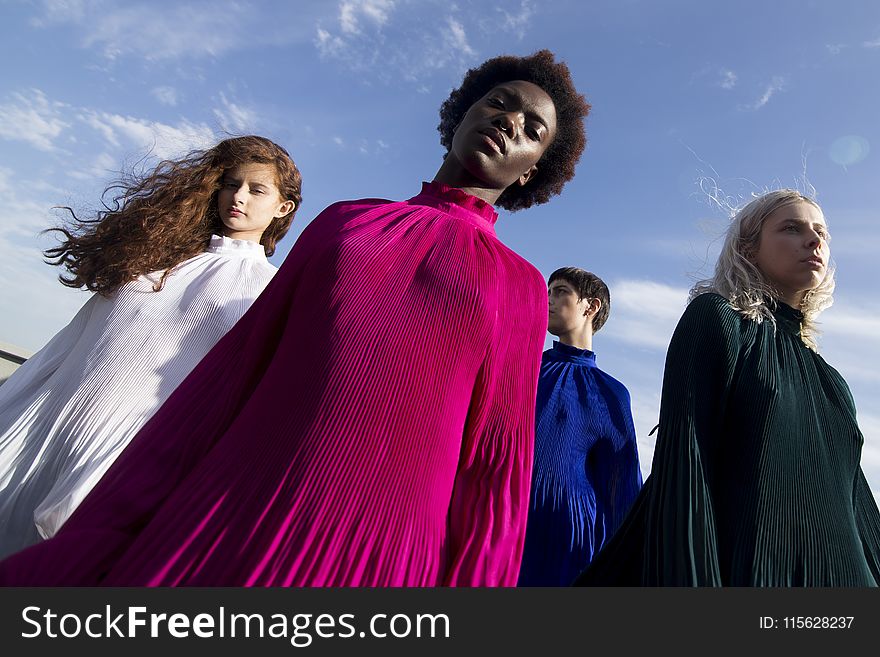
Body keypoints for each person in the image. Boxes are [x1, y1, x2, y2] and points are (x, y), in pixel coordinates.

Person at [0, 50, 590, 586]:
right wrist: (115, 521)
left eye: (532, 128)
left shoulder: (521, 286)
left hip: (386, 551)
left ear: (532, 169)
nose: (509, 121)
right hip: (231, 508)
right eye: (498, 103)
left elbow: (494, 465)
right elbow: (233, 374)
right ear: (462, 113)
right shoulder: (346, 223)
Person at [0, 135, 301, 559]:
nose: (237, 197)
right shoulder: (156, 258)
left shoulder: (267, 291)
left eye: (257, 189)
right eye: (230, 183)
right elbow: (73, 341)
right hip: (42, 422)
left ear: (282, 207)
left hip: (121, 453)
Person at [575, 189, 880, 586]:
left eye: (820, 231)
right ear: (749, 249)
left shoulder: (833, 382)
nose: (814, 240)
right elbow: (685, 466)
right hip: (749, 573)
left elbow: (858, 509)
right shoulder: (716, 319)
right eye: (791, 228)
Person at [517, 267, 642, 586]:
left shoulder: (611, 394)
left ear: (591, 306)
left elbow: (623, 483)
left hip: (575, 539)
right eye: (547, 292)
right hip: (512, 523)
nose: (548, 300)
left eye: (560, 291)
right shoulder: (523, 366)